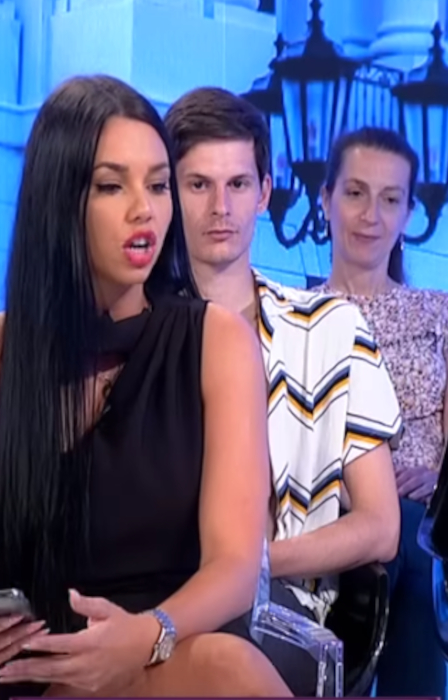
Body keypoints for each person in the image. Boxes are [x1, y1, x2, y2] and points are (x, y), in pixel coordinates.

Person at [0, 74, 296, 699]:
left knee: (228, 667)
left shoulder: (217, 343)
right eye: (113, 186)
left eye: (158, 185)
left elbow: (236, 568)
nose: (145, 209)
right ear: (60, 199)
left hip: (172, 657)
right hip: (36, 675)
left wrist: (147, 635)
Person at [163, 88, 402, 694]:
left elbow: (380, 525)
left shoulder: (330, 329)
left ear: (266, 193)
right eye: (198, 185)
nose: (221, 207)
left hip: (279, 604)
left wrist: (254, 563)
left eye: (238, 184)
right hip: (149, 589)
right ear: (168, 192)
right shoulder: (138, 329)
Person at [306, 125, 448, 695]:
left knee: (409, 532)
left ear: (408, 214)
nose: (371, 215)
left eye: (390, 199)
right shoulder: (294, 315)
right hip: (328, 508)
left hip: (423, 512)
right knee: (386, 528)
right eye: (355, 193)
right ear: (325, 198)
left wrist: (438, 479)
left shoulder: (445, 313)